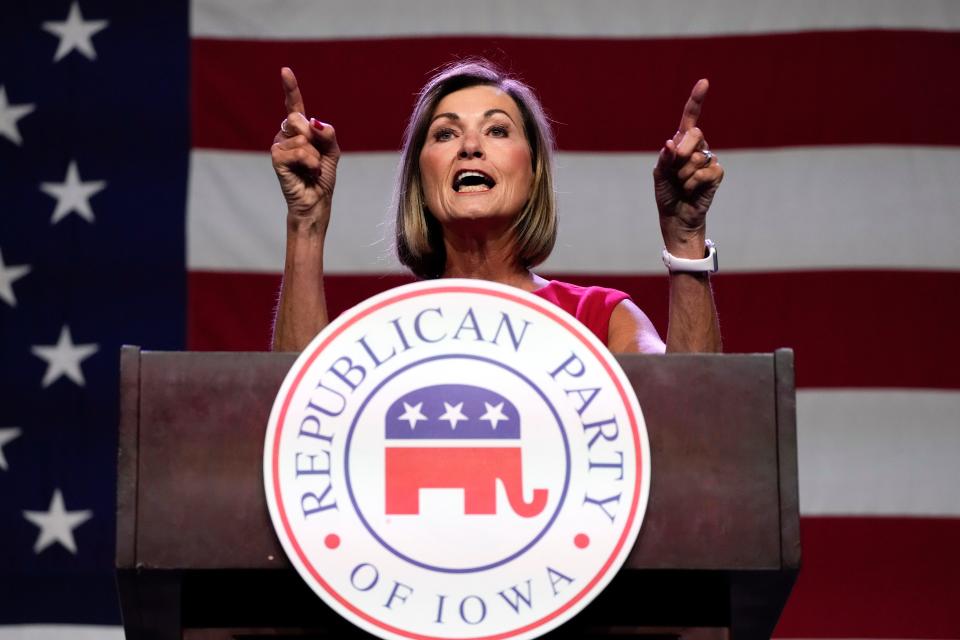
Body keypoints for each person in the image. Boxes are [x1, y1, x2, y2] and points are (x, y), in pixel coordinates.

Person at [270, 60, 722, 354]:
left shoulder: (600, 320)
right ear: (420, 178)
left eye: (498, 131)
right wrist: (305, 222)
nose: (470, 146)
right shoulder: (380, 332)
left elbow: (688, 421)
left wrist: (685, 236)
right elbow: (298, 428)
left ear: (534, 172)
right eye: (445, 134)